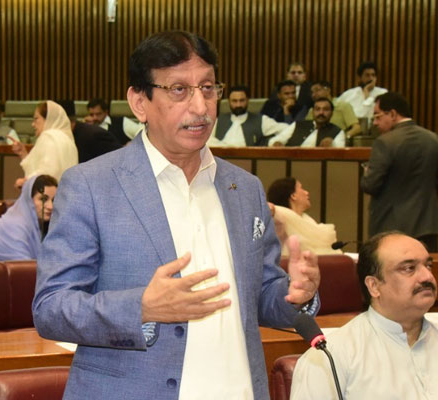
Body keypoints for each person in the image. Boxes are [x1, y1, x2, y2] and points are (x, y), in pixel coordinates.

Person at [32, 31, 320, 399]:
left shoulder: (244, 189)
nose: (200, 107)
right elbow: (52, 307)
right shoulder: (91, 185)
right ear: (139, 102)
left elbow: (262, 296)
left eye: (208, 88)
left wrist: (295, 294)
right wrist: (142, 308)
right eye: (179, 90)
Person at [291, 231, 438, 399]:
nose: (426, 276)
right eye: (409, 268)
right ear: (374, 286)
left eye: (428, 265)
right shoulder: (329, 359)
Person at [360, 93, 438, 251]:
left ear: (392, 114)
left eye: (377, 116)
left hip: (391, 228)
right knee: (425, 272)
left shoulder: (385, 142)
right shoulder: (433, 138)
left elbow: (370, 185)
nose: (376, 123)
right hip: (428, 224)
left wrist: (366, 171)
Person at [0, 175, 57, 261]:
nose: (51, 206)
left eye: (54, 200)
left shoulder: (44, 225)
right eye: (43, 199)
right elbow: (24, 269)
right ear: (29, 200)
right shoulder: (12, 227)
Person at [11, 101, 78, 189]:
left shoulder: (48, 136)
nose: (33, 124)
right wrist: (23, 153)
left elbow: (48, 172)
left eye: (36, 119)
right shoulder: (66, 139)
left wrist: (25, 181)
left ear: (48, 119)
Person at [267, 177, 340, 256]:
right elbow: (272, 210)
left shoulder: (306, 219)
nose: (306, 192)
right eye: (301, 188)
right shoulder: (280, 216)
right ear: (293, 195)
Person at [208, 85, 287, 147]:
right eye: (234, 101)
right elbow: (207, 140)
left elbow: (287, 129)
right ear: (229, 101)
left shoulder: (261, 120)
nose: (238, 105)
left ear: (248, 100)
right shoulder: (218, 120)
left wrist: (275, 141)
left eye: (242, 100)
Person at [57, 99, 121, 163]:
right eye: (91, 114)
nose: (95, 118)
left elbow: (119, 158)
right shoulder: (64, 137)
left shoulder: (96, 135)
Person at [269, 97, 346, 147]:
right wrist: (276, 143)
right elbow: (276, 140)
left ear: (331, 113)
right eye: (317, 109)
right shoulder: (297, 125)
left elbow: (340, 152)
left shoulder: (337, 131)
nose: (321, 113)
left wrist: (332, 145)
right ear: (312, 112)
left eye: (325, 109)